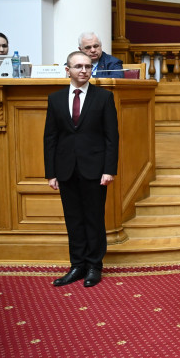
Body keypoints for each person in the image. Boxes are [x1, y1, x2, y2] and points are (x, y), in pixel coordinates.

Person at [44, 51, 119, 288]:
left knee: (94, 219)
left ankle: (94, 266)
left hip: (95, 170)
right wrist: (51, 172)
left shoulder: (103, 98)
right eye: (78, 66)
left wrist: (109, 169)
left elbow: (111, 138)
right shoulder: (55, 99)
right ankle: (77, 265)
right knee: (73, 220)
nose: (84, 70)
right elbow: (50, 138)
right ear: (68, 70)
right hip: (66, 170)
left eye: (87, 66)